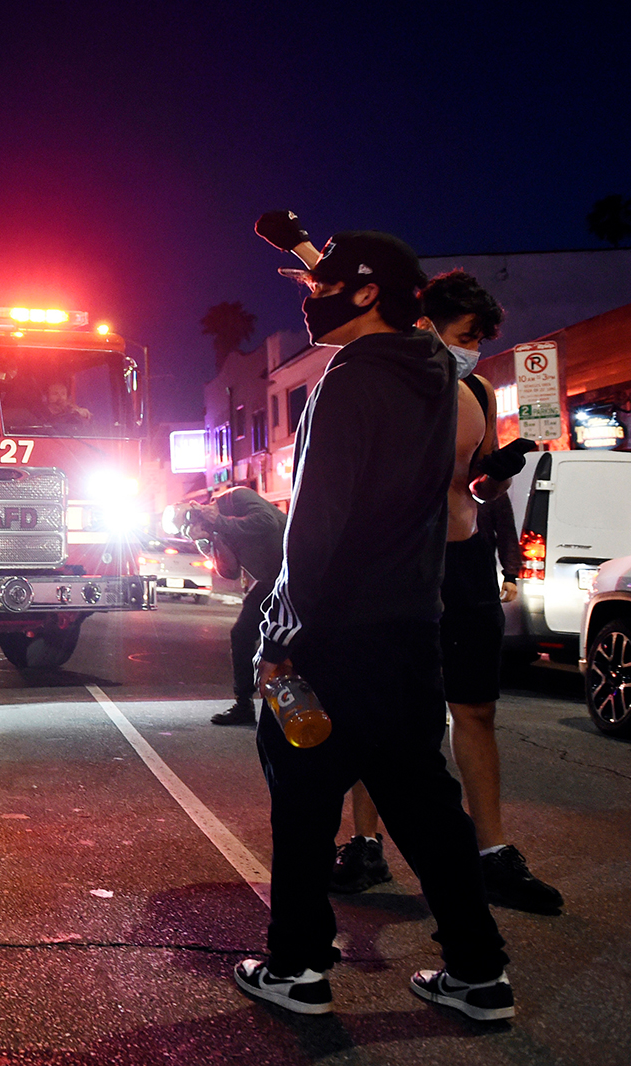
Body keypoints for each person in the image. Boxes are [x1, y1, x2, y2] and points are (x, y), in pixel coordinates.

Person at [235, 214, 513, 1021]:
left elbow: (317, 522)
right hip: (407, 628)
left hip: (333, 634)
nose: (311, 302)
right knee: (425, 801)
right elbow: (396, 299)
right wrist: (309, 251)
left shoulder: (347, 382)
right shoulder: (434, 370)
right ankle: (478, 970)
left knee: (304, 796)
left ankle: (296, 968)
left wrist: (280, 636)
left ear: (365, 294)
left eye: (323, 291)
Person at [333, 271, 561, 914]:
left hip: (464, 561)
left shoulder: (478, 390)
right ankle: (366, 845)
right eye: (467, 337)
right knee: (385, 709)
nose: (475, 352)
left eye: (483, 342)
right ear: (426, 323)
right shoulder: (388, 383)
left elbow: (479, 489)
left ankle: (493, 855)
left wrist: (496, 474)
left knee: (476, 709)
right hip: (402, 564)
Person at [178, 486, 287, 726]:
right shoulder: (218, 528)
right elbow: (229, 571)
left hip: (295, 571)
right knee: (242, 633)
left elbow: (267, 522)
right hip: (272, 580)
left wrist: (218, 521)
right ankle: (243, 704)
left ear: (200, 507)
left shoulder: (235, 498)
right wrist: (207, 541)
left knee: (298, 637)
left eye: (194, 519)